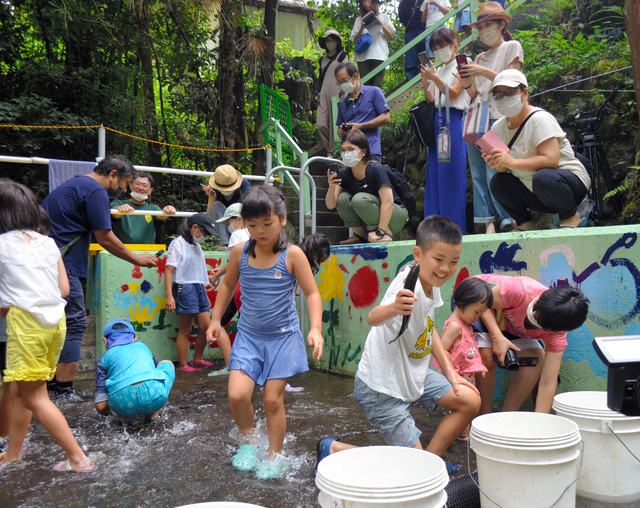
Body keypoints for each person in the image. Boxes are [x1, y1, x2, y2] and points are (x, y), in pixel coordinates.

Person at [316, 216, 480, 472]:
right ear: (418, 253)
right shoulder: (406, 290)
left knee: (469, 400)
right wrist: (394, 308)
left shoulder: (430, 279)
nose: (446, 269)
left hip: (413, 375)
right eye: (439, 259)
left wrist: (451, 372)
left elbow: (429, 328)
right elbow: (373, 317)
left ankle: (429, 464)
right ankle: (335, 449)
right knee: (407, 469)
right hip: (382, 389)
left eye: (453, 262)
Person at [206, 186, 324, 480]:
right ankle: (249, 439)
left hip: (283, 338)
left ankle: (274, 454)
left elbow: (312, 293)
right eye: (252, 224)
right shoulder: (239, 253)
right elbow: (226, 286)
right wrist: (215, 320)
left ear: (282, 219)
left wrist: (316, 329)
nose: (259, 231)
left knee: (273, 399)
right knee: (237, 394)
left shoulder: (292, 254)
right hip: (248, 336)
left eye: (267, 224)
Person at [42, 155, 158, 401]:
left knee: (54, 323)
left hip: (47, 262)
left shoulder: (74, 184)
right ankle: (61, 390)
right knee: (74, 323)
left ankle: (49, 383)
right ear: (113, 174)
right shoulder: (96, 191)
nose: (124, 189)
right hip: (64, 265)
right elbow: (105, 237)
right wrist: (137, 259)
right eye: (125, 183)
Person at [0, 180, 92, 471]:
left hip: (26, 325)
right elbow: (64, 288)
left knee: (34, 396)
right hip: (55, 323)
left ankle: (78, 459)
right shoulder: (47, 243)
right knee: (19, 391)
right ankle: (13, 454)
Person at [484, 69, 591, 230]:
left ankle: (570, 216)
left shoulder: (540, 119)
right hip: (535, 192)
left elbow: (551, 160)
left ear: (524, 93)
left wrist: (512, 161)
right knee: (498, 182)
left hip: (568, 186)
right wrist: (496, 162)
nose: (504, 98)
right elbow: (503, 168)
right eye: (499, 94)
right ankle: (525, 222)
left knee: (543, 177)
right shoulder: (498, 127)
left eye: (510, 92)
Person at [472, 273, 589, 414]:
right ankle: (484, 417)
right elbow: (480, 303)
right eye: (534, 308)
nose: (532, 315)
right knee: (486, 357)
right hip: (478, 304)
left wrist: (539, 420)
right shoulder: (519, 290)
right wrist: (497, 338)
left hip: (510, 326)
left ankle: (508, 417)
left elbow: (548, 382)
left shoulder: (557, 334)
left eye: (537, 320)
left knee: (536, 359)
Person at [458, 1, 523, 234]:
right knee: (477, 173)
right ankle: (487, 222)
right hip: (476, 117)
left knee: (496, 168)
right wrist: (467, 81)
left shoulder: (512, 47)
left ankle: (510, 219)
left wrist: (481, 71)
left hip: (498, 117)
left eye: (488, 24)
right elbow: (475, 93)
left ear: (501, 23)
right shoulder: (480, 57)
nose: (483, 29)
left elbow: (513, 80)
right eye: (480, 25)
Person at [164, 213, 231, 373]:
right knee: (185, 329)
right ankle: (183, 364)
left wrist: (205, 294)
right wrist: (169, 295)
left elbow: (198, 272)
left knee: (205, 326)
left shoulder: (196, 245)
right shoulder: (178, 243)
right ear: (194, 228)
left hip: (198, 287)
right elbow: (169, 269)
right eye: (205, 232)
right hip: (184, 287)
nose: (205, 237)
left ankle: (197, 359)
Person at [420, 27, 471, 234]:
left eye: (443, 45)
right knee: (435, 176)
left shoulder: (462, 63)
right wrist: (426, 82)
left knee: (452, 176)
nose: (440, 50)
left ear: (453, 43)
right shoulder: (439, 69)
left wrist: (436, 78)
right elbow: (431, 99)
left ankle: (454, 231)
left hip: (453, 121)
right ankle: (432, 231)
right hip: (438, 122)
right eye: (435, 48)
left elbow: (455, 93)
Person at [326, 129, 408, 245]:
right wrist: (331, 187)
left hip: (395, 215)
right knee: (342, 198)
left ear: (363, 152)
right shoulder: (345, 173)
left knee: (359, 199)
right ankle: (364, 237)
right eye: (343, 150)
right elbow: (331, 205)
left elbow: (388, 202)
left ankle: (386, 234)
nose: (347, 153)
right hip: (372, 218)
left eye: (351, 149)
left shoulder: (375, 169)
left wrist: (380, 232)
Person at [434, 277, 491, 439]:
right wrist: (450, 374)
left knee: (467, 406)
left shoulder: (466, 325)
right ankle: (463, 436)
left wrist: (479, 367)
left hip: (466, 375)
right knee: (463, 407)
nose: (477, 317)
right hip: (456, 376)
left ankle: (463, 434)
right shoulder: (454, 326)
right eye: (476, 312)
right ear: (463, 302)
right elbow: (441, 350)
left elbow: (468, 349)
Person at [95, 319, 175, 423]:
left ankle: (121, 419)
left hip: (122, 403)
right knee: (166, 363)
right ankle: (154, 416)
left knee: (116, 390)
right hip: (153, 395)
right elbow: (157, 374)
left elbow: (100, 406)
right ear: (134, 339)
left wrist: (110, 414)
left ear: (105, 341)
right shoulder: (142, 346)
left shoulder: (103, 359)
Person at [335, 62, 390, 162]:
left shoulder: (374, 92)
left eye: (344, 80)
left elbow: (386, 117)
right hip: (350, 153)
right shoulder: (343, 103)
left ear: (355, 76)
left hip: (370, 150)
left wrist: (363, 126)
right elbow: (339, 129)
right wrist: (340, 132)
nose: (342, 85)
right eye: (339, 83)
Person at [111, 172, 177, 244]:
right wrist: (120, 209)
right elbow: (115, 214)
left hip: (147, 251)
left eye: (144, 185)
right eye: (137, 184)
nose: (140, 188)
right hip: (122, 250)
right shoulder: (119, 203)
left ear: (150, 191)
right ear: (130, 185)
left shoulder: (153, 208)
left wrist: (167, 211)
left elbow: (161, 216)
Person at [315, 29, 349, 156]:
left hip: (336, 90)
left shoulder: (342, 55)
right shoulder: (322, 60)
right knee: (321, 124)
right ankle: (331, 149)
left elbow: (346, 73)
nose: (330, 42)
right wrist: (316, 92)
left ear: (337, 41)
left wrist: (342, 91)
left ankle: (332, 152)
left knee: (334, 122)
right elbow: (320, 78)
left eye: (332, 40)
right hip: (324, 93)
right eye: (328, 40)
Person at [201, 164, 251, 248]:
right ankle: (225, 244)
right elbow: (210, 216)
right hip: (225, 230)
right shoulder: (214, 189)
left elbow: (252, 206)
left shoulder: (244, 184)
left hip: (243, 227)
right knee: (215, 205)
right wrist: (211, 197)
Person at [349, 0, 395, 90]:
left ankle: (377, 104)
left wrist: (381, 24)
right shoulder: (359, 20)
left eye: (368, 1)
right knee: (366, 87)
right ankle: (368, 104)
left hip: (379, 55)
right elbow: (354, 40)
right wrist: (361, 29)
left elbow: (390, 36)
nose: (367, 4)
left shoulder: (384, 17)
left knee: (377, 86)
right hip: (363, 57)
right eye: (364, 2)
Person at [398, 0, 427, 80]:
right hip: (411, 31)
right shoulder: (403, 3)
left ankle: (428, 78)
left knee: (425, 56)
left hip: (425, 29)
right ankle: (411, 82)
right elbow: (403, 22)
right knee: (410, 59)